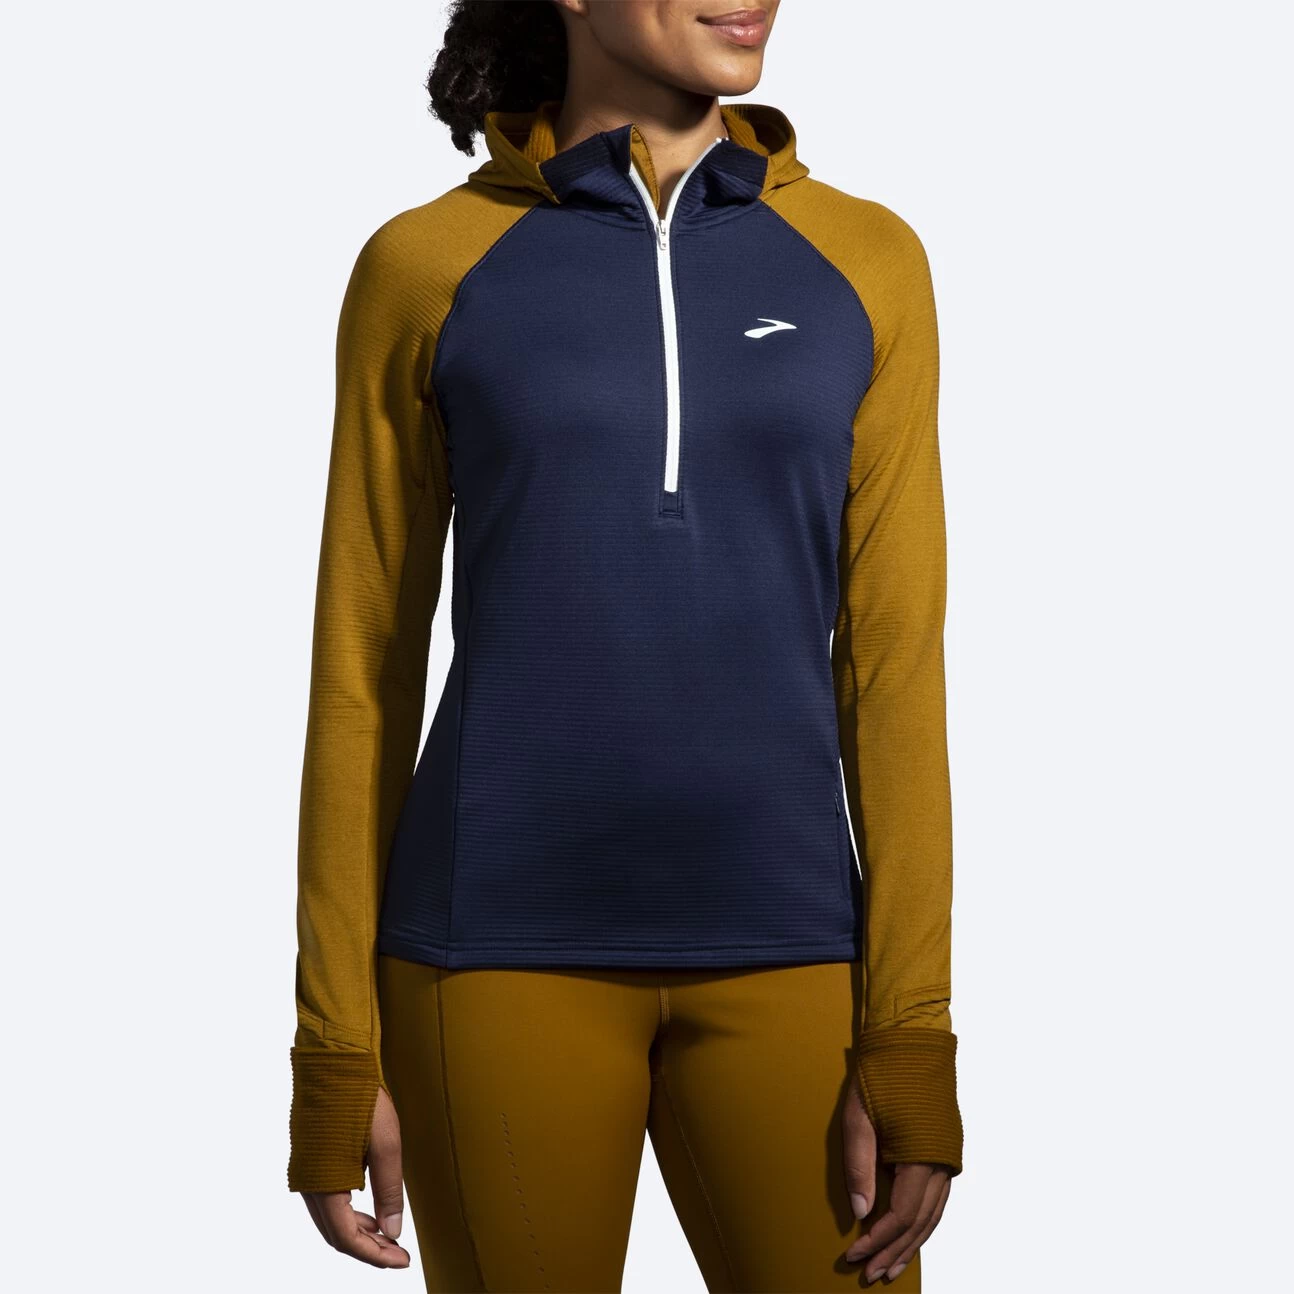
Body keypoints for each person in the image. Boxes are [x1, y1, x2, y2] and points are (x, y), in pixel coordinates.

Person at [286, 1, 964, 1289]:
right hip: (490, 953)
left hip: (795, 943)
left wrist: (913, 1027)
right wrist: (333, 1046)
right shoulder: (426, 266)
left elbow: (894, 666)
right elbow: (361, 668)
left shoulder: (866, 259)